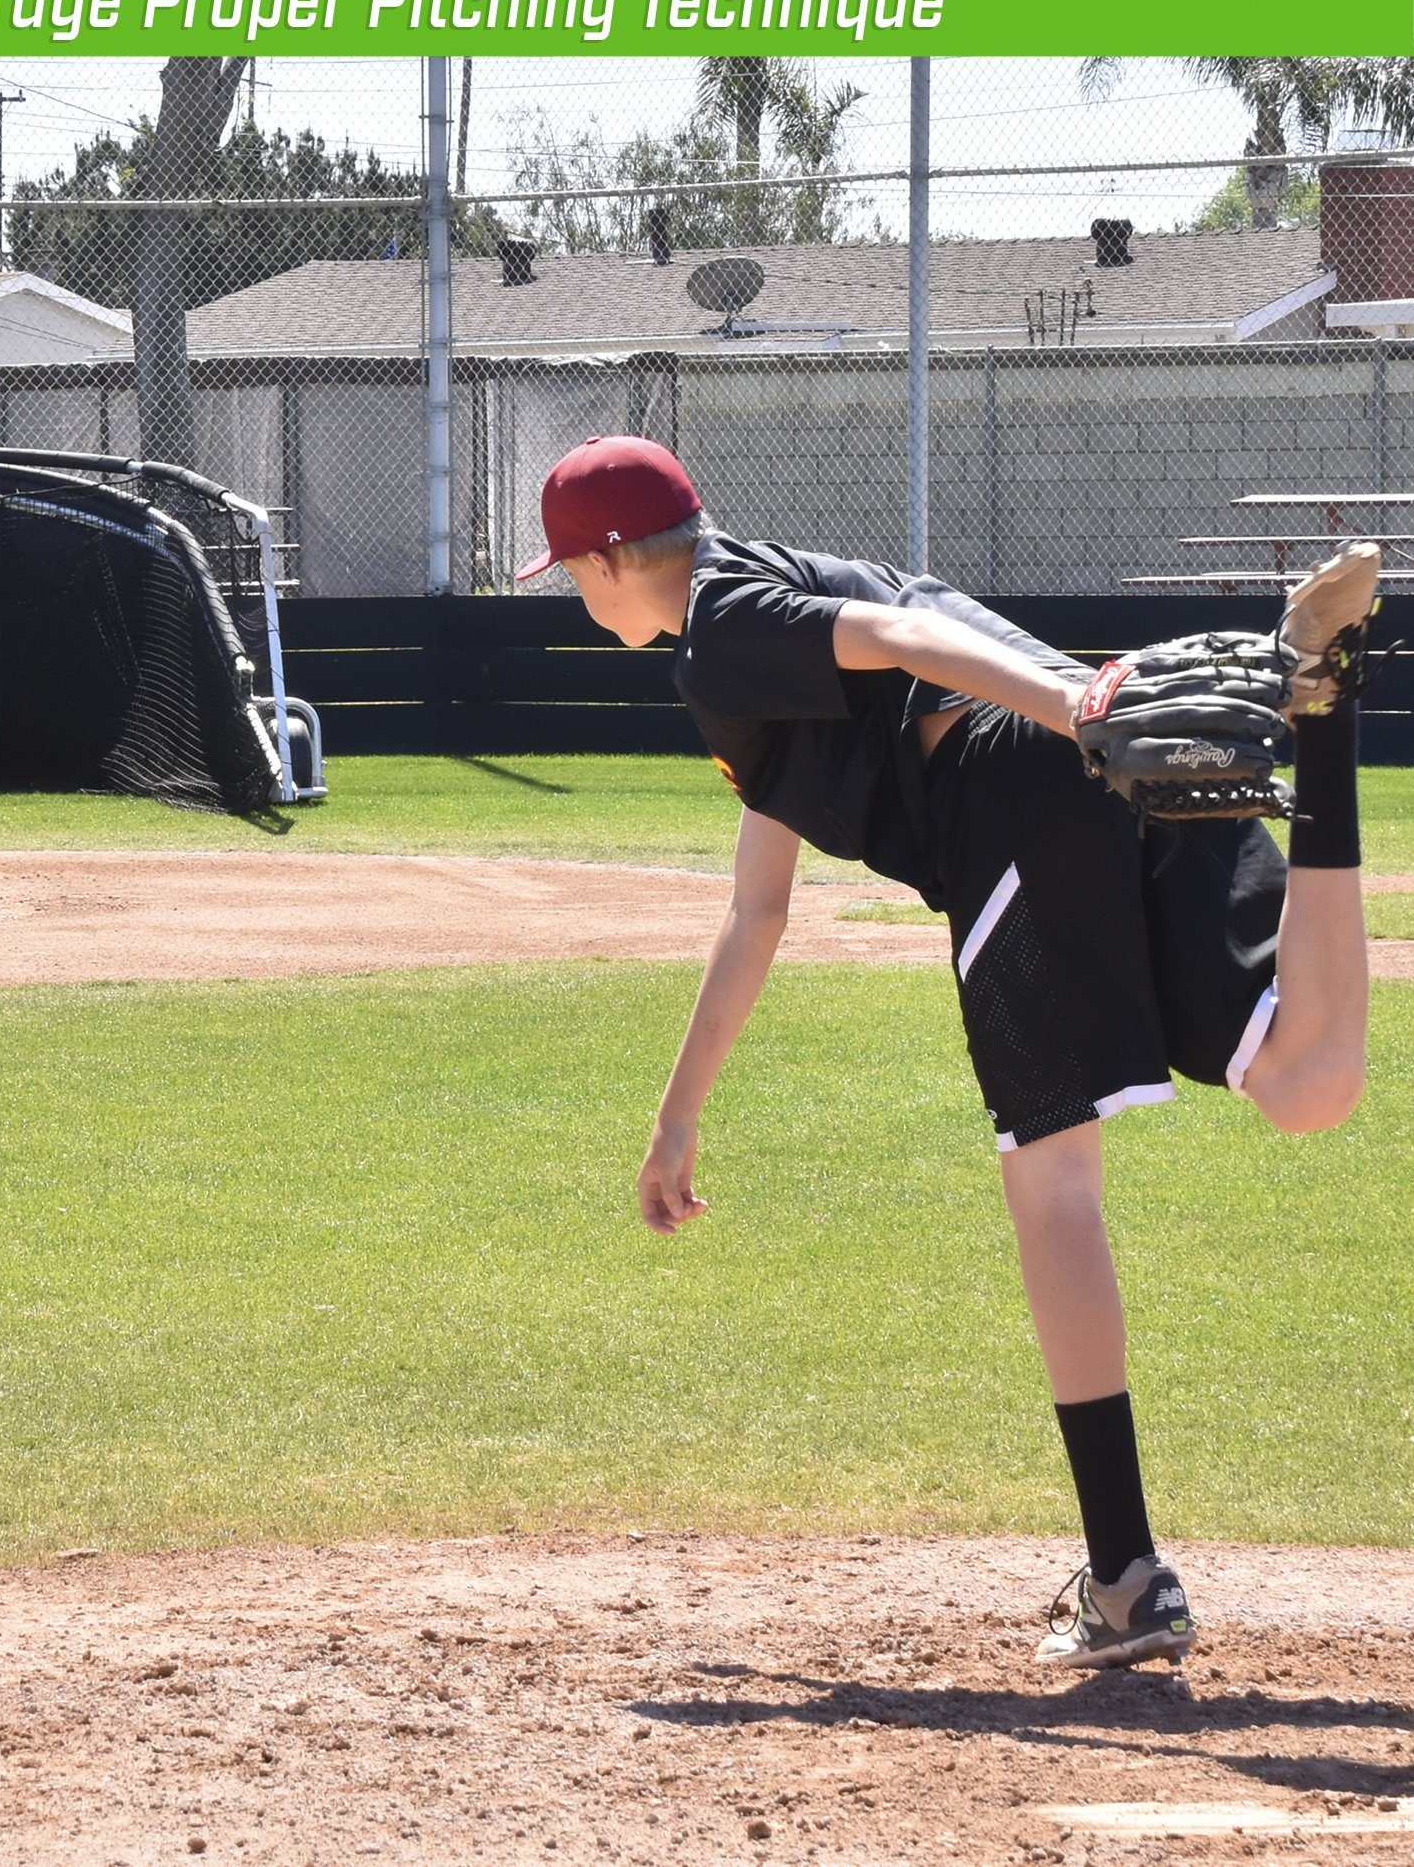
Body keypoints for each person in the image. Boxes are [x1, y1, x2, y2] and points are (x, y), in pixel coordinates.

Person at [518, 433, 1378, 1669]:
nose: (575, 592)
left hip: (1022, 778)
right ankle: (1331, 709)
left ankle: (1126, 1580)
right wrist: (677, 1114)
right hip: (1092, 750)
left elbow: (913, 645)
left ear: (610, 561)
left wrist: (1080, 709)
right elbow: (758, 907)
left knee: (1053, 1185)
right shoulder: (756, 620)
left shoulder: (721, 624)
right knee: (1309, 1081)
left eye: (571, 570)